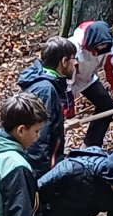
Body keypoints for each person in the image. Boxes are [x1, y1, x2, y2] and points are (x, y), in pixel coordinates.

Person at [67, 20, 113, 149]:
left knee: (107, 106)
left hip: (87, 79)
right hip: (66, 83)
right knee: (57, 119)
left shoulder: (111, 47)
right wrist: (69, 115)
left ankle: (90, 146)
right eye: (98, 48)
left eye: (104, 47)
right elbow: (65, 82)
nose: (101, 50)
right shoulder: (72, 47)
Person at [18, 36, 77, 179]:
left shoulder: (42, 82)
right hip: (41, 169)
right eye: (73, 58)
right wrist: (44, 176)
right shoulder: (46, 90)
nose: (76, 63)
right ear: (64, 61)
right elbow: (39, 137)